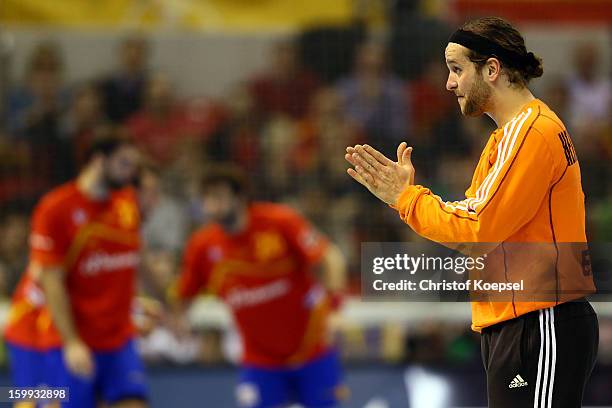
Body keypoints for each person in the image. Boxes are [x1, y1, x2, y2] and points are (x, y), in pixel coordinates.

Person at [345, 17, 598, 408]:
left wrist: (406, 199)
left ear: (492, 69)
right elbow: (472, 224)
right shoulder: (510, 136)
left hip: (540, 320)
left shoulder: (531, 133)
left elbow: (477, 231)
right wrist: (407, 196)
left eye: (457, 69)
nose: (449, 83)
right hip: (521, 321)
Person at [172, 165, 348, 408]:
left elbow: (330, 258)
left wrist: (335, 309)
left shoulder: (279, 221)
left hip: (312, 349)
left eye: (219, 196)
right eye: (207, 198)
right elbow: (184, 295)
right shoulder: (202, 247)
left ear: (240, 197)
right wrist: (178, 320)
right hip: (260, 360)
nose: (212, 204)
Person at [5, 134, 148, 408]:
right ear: (99, 160)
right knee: (29, 401)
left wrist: (138, 308)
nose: (130, 174)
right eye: (125, 164)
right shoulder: (56, 209)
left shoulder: (123, 205)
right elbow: (52, 283)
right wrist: (71, 341)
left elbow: (114, 273)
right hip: (33, 332)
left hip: (93, 337)